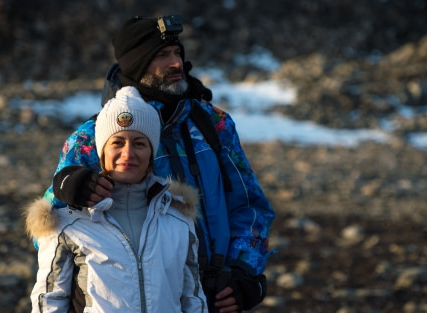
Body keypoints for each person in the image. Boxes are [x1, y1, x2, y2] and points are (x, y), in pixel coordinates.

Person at [43, 15, 276, 313]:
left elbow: (251, 207)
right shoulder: (96, 136)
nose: (176, 63)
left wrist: (244, 273)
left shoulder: (212, 124)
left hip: (215, 296)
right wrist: (70, 187)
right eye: (162, 55)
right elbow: (51, 230)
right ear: (138, 64)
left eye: (177, 52)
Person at [26, 86, 208, 313]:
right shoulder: (68, 222)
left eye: (140, 143)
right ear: (101, 152)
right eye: (117, 142)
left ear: (152, 154)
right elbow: (48, 303)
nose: (128, 153)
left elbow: (193, 300)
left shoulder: (178, 219)